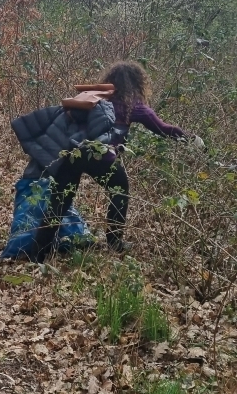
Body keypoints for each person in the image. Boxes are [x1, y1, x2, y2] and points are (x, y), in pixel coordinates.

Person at [24, 60, 187, 259]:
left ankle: (39, 253)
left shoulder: (93, 98)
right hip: (99, 155)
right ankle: (114, 241)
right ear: (137, 83)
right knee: (120, 188)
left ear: (110, 80)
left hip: (71, 152)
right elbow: (163, 129)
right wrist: (191, 139)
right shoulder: (133, 105)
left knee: (60, 200)